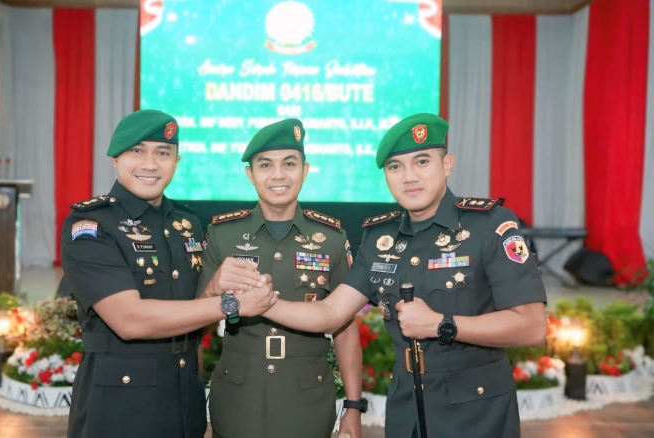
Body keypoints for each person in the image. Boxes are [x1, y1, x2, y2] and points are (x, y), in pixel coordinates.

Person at [263, 113, 549, 438]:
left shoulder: (489, 225)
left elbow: (533, 327)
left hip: (476, 412)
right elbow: (331, 313)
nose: (409, 177)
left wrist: (441, 325)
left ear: (447, 165)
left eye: (422, 161)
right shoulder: (379, 237)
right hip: (405, 409)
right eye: (395, 167)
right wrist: (263, 303)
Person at [60, 109, 277, 438]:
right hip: (119, 406)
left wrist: (216, 288)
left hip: (183, 399)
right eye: (137, 151)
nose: (150, 164)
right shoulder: (91, 225)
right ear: (115, 159)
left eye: (162, 153)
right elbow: (129, 320)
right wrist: (231, 304)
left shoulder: (186, 223)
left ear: (176, 162)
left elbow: (193, 315)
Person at [197, 118, 364, 438]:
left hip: (307, 400)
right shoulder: (222, 234)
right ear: (250, 174)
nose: (278, 175)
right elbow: (196, 323)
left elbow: (344, 328)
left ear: (305, 170)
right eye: (265, 165)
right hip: (237, 400)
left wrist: (354, 408)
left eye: (289, 163)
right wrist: (212, 290)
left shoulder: (331, 238)